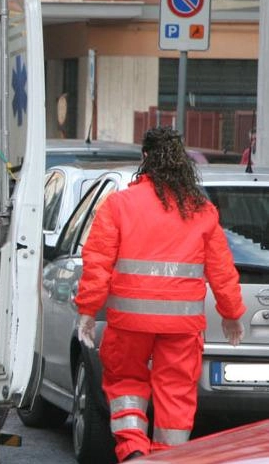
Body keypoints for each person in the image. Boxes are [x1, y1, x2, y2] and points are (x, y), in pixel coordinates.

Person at [74, 126, 245, 462]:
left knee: (126, 384)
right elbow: (222, 271)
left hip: (129, 322)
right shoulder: (201, 211)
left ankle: (134, 450)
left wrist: (88, 311)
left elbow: (97, 263)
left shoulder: (119, 205)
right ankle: (169, 457)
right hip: (181, 328)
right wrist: (231, 315)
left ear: (145, 159)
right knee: (176, 394)